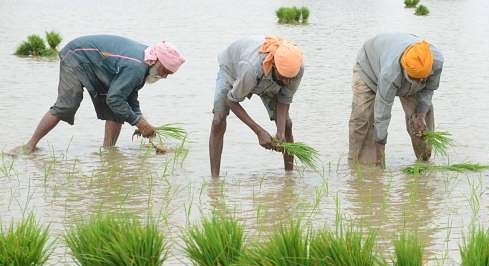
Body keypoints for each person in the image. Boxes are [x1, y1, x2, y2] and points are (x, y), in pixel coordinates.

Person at [15, 34, 185, 154]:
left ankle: (108, 153)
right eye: (165, 71)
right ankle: (29, 146)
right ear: (157, 61)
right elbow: (115, 98)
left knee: (119, 109)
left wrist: (142, 123)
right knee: (68, 104)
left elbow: (129, 96)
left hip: (98, 65)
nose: (164, 76)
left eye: (169, 74)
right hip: (76, 55)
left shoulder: (144, 64)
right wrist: (138, 122)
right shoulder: (136, 66)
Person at [209, 35, 304, 178]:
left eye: (290, 78)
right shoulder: (251, 69)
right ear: (273, 64)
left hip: (269, 80)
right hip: (232, 69)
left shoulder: (296, 70)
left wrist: (280, 133)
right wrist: (259, 132)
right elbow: (231, 100)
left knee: (287, 125)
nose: (286, 81)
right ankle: (214, 180)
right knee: (218, 120)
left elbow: (284, 99)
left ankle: (289, 177)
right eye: (283, 76)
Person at [348, 32, 444, 167]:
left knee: (420, 121)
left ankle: (424, 163)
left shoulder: (436, 61)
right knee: (362, 117)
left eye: (423, 79)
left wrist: (421, 114)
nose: (419, 82)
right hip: (369, 68)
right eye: (415, 80)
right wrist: (380, 149)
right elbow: (382, 114)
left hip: (398, 62)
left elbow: (428, 89)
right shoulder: (390, 74)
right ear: (405, 71)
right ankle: (361, 168)